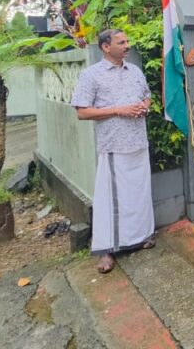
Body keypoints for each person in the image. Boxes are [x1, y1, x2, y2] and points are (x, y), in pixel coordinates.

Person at [71, 29, 154, 274]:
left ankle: (141, 237)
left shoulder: (135, 71)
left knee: (138, 195)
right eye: (121, 42)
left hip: (138, 142)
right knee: (109, 200)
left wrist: (144, 107)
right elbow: (82, 112)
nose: (127, 45)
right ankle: (106, 249)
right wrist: (119, 110)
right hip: (113, 146)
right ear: (106, 47)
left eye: (127, 41)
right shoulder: (91, 75)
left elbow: (147, 96)